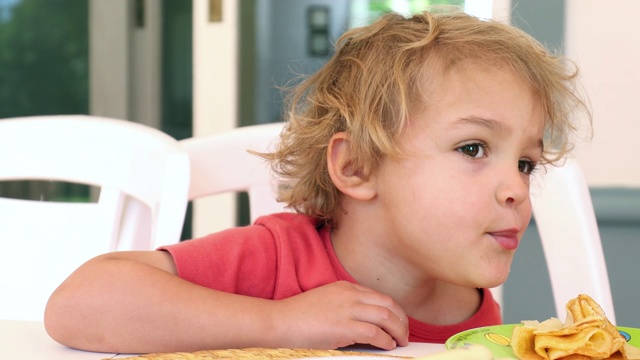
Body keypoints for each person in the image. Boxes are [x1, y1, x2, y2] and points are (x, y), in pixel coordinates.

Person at [44, 7, 590, 354]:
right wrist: (278, 323)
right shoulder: (278, 257)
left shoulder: (472, 312)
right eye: (473, 148)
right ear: (355, 167)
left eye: (525, 163)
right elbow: (80, 303)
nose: (517, 189)